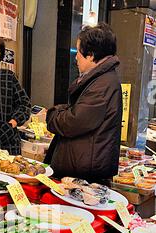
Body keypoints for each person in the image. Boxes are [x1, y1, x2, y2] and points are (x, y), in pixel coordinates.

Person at [45, 22, 122, 182]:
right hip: (84, 167)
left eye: (78, 52)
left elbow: (74, 121)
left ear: (91, 55)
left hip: (86, 174)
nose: (76, 57)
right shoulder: (101, 79)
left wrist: (51, 114)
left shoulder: (103, 83)